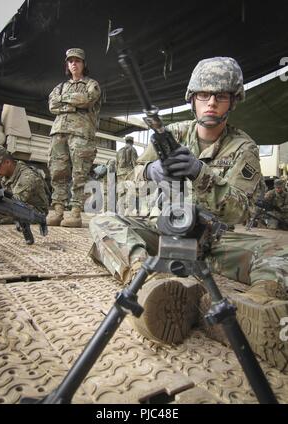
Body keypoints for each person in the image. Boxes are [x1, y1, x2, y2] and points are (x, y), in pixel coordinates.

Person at [88, 57, 288, 370]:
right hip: (163, 236)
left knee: (281, 251)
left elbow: (240, 210)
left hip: (215, 243)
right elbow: (129, 179)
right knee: (102, 220)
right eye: (203, 95)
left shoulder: (242, 147)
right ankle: (146, 280)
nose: (211, 103)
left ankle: (254, 308)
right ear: (192, 99)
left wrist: (201, 173)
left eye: (221, 96)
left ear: (233, 101)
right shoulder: (173, 135)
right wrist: (151, 171)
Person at [47, 48, 101, 228]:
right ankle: (58, 210)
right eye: (70, 61)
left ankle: (76, 212)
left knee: (79, 173)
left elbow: (87, 99)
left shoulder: (91, 84)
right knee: (57, 172)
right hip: (59, 132)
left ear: (84, 64)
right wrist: (71, 105)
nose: (73, 64)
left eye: (77, 60)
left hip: (81, 133)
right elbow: (52, 105)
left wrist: (64, 100)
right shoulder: (60, 86)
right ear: (67, 64)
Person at [0, 146, 49, 223]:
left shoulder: (27, 177)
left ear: (7, 162)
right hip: (14, 205)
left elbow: (15, 202)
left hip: (34, 211)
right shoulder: (0, 173)